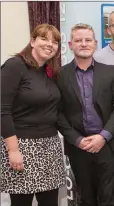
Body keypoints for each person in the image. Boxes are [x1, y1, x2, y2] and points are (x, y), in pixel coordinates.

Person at [57, 23, 114, 206]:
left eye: (88, 40)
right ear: (71, 45)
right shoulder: (60, 75)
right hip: (79, 146)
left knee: (108, 198)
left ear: (95, 43)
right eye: (78, 40)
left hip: (107, 145)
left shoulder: (110, 71)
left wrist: (103, 137)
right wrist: (77, 139)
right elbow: (57, 113)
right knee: (86, 198)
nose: (84, 43)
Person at [1, 24, 65, 206]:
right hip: (22, 146)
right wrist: (13, 151)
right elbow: (2, 110)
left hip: (50, 146)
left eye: (54, 42)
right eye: (44, 39)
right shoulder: (15, 65)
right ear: (32, 41)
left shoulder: (50, 72)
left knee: (50, 202)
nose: (49, 44)